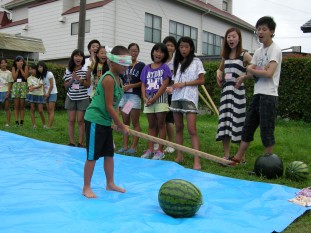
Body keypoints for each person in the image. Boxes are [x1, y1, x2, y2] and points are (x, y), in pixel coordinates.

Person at [230, 16, 282, 165]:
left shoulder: (275, 50)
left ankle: (269, 163)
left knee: (266, 129)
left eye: (264, 29)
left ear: (271, 31)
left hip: (269, 95)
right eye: (258, 29)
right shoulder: (259, 51)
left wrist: (254, 69)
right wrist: (246, 75)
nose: (260, 32)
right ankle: (237, 158)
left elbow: (269, 73)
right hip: (258, 93)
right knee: (248, 126)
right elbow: (252, 71)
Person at [83, 45, 131, 198]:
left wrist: (117, 123)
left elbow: (115, 106)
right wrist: (121, 125)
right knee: (92, 156)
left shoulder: (119, 80)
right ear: (112, 61)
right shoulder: (109, 79)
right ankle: (86, 187)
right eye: (122, 63)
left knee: (109, 154)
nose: (125, 67)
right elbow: (109, 107)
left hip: (105, 121)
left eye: (127, 64)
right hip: (95, 120)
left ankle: (110, 183)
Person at [168, 37, 206, 170]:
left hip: (190, 97)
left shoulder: (196, 62)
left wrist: (184, 84)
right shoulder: (176, 62)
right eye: (181, 47)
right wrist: (171, 88)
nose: (184, 49)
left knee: (192, 129)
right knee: (178, 127)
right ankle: (179, 155)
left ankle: (197, 160)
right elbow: (175, 82)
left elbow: (201, 80)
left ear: (191, 48)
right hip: (176, 97)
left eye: (186, 47)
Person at [215, 28, 252, 160]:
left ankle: (241, 156)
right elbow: (220, 70)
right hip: (226, 92)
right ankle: (226, 155)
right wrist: (218, 75)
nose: (231, 39)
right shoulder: (225, 56)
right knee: (225, 122)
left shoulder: (245, 55)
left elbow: (254, 71)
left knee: (238, 123)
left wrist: (243, 77)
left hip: (238, 93)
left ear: (239, 38)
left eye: (233, 36)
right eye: (228, 37)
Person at [140, 43, 171, 160]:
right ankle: (150, 149)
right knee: (151, 125)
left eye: (161, 52)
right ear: (153, 52)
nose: (158, 54)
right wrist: (144, 97)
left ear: (165, 55)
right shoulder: (146, 68)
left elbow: (165, 84)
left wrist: (154, 98)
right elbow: (143, 84)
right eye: (156, 51)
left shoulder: (165, 67)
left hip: (160, 100)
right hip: (148, 100)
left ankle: (160, 151)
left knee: (161, 124)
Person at [117, 43, 145, 154]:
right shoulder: (124, 64)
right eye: (131, 51)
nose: (134, 53)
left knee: (135, 122)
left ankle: (133, 147)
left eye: (136, 51)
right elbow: (119, 77)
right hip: (124, 96)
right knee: (125, 121)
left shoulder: (141, 65)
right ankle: (125, 146)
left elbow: (143, 82)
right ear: (128, 52)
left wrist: (131, 86)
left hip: (134, 96)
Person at [63, 49, 90, 147]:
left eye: (80, 56)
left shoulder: (85, 70)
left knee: (80, 121)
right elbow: (65, 85)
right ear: (72, 57)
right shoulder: (68, 70)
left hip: (82, 97)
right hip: (71, 97)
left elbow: (88, 85)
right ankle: (72, 142)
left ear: (83, 58)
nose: (78, 58)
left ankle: (80, 142)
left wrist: (79, 79)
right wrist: (72, 79)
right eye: (76, 56)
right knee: (71, 120)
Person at [162, 36, 177, 153]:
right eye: (167, 45)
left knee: (169, 119)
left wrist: (172, 87)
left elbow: (178, 78)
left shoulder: (177, 62)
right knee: (158, 119)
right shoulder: (160, 60)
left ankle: (171, 144)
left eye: (172, 45)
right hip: (159, 93)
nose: (169, 47)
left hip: (172, 93)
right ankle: (158, 142)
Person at [37, 61, 58, 128]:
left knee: (51, 110)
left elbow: (51, 85)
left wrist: (48, 93)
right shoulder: (41, 76)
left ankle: (49, 126)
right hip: (46, 94)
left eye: (40, 67)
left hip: (52, 93)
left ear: (44, 67)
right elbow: (42, 85)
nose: (39, 68)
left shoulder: (49, 74)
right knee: (48, 110)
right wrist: (44, 94)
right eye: (38, 67)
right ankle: (49, 125)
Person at [26, 63, 46, 129]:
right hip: (32, 95)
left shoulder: (40, 76)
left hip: (40, 95)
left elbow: (40, 85)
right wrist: (33, 88)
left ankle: (44, 125)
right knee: (32, 109)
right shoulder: (29, 78)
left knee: (40, 110)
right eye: (29, 69)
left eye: (32, 69)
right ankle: (34, 125)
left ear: (36, 69)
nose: (31, 71)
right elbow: (30, 87)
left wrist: (33, 88)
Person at [11, 55, 28, 126]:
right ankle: (16, 121)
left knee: (22, 105)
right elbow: (14, 77)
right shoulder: (13, 67)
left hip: (23, 85)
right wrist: (17, 69)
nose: (21, 62)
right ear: (16, 62)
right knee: (16, 105)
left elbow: (26, 77)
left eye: (22, 61)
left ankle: (21, 121)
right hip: (16, 86)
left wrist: (21, 69)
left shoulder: (25, 67)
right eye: (19, 61)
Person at [0, 58, 13, 127]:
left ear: (7, 64)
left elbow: (10, 83)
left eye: (4, 62)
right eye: (2, 63)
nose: (3, 64)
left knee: (7, 108)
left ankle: (8, 123)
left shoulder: (9, 73)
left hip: (5, 91)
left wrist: (8, 92)